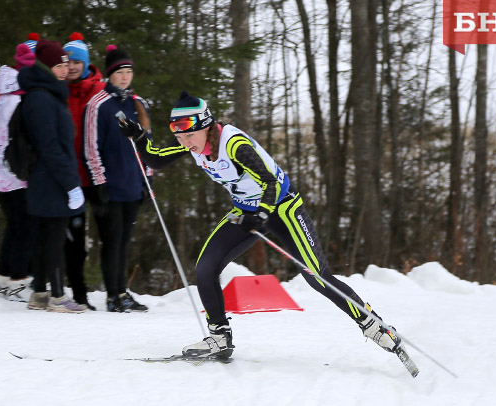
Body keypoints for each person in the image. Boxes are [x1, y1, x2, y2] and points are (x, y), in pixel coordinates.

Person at [121, 91, 403, 359]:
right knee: (206, 267)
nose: (185, 142)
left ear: (206, 126)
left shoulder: (234, 145)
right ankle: (219, 336)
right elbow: (156, 159)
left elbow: (271, 182)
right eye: (179, 136)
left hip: (282, 208)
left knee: (316, 276)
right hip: (246, 211)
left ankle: (373, 325)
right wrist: (139, 137)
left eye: (189, 135)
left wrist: (262, 213)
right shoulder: (194, 143)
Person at [17, 39, 87, 313]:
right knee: (55, 237)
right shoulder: (42, 98)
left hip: (47, 176)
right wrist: (71, 184)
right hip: (50, 178)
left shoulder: (47, 94)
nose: (65, 69)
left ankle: (39, 294)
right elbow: (50, 146)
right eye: (59, 65)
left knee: (45, 235)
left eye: (66, 64)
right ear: (46, 68)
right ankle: (57, 297)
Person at [83, 45, 150, 313]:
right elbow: (91, 147)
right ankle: (113, 295)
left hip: (133, 185)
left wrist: (147, 180)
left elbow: (147, 147)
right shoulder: (97, 104)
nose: (125, 77)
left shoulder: (138, 103)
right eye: (120, 72)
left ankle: (123, 292)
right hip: (109, 187)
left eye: (129, 72)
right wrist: (99, 183)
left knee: (124, 242)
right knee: (111, 242)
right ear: (110, 74)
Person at [0, 38, 39, 302]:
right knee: (24, 226)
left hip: (8, 170)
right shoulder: (13, 91)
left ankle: (3, 280)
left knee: (16, 226)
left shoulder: (13, 89)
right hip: (11, 171)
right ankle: (16, 281)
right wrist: (8, 158)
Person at [61, 32, 106, 310]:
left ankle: (115, 292)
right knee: (74, 241)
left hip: (97, 176)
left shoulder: (100, 90)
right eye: (68, 62)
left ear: (86, 63)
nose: (73, 67)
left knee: (109, 236)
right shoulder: (58, 90)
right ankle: (79, 294)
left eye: (77, 62)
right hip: (70, 179)